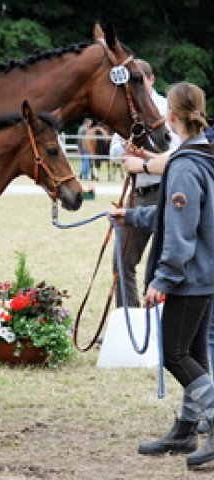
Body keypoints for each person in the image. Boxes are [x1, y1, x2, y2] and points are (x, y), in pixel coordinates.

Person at [110, 82, 214, 469]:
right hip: (204, 273)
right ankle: (187, 429)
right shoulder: (201, 157)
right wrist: (131, 216)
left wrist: (164, 279)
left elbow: (182, 231)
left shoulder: (185, 165)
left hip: (190, 276)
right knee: (196, 354)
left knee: (175, 355)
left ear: (171, 117)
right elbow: (176, 217)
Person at [113, 59, 180, 308]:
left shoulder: (166, 108)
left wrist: (143, 158)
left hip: (164, 190)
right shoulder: (128, 110)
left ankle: (158, 324)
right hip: (137, 192)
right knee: (122, 261)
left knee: (160, 264)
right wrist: (124, 147)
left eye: (139, 80)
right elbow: (112, 153)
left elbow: (176, 152)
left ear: (151, 80)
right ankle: (128, 322)